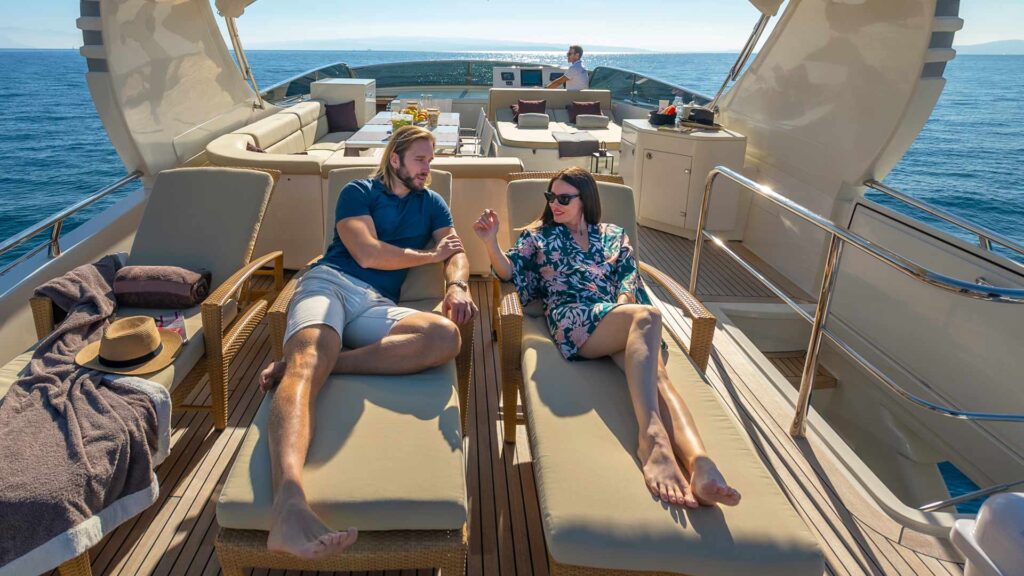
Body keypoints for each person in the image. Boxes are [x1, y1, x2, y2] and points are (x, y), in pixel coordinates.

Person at [259, 125, 478, 559]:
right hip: (331, 284)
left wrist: (457, 286)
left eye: (430, 160)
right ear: (395, 158)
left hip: (376, 304)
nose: (427, 168)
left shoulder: (430, 201)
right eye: (420, 160)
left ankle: (328, 362)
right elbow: (368, 254)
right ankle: (289, 502)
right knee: (307, 362)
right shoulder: (358, 192)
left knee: (444, 336)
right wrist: (427, 257)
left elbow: (455, 251)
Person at [472, 167, 739, 508]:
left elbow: (629, 279)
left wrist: (622, 310)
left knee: (658, 378)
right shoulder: (539, 237)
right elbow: (510, 272)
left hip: (618, 321)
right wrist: (490, 242)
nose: (555, 203)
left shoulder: (613, 235)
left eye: (564, 198)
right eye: (551, 197)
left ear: (586, 200)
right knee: (649, 315)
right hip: (574, 320)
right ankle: (652, 441)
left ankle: (700, 464)